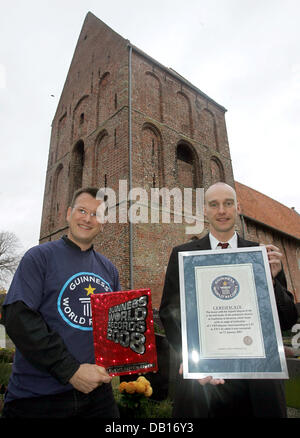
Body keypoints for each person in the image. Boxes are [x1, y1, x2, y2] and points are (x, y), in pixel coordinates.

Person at [159, 182, 298, 418]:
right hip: (204, 383)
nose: (221, 210)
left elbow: (287, 320)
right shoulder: (183, 254)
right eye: (214, 204)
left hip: (257, 383)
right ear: (205, 210)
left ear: (238, 208)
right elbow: (169, 313)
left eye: (228, 203)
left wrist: (272, 281)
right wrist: (194, 360)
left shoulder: (261, 255)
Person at [1, 187, 121, 418]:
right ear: (68, 213)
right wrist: (71, 371)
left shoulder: (109, 270)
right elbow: (18, 318)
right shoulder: (39, 257)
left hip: (97, 398)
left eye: (96, 214)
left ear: (104, 223)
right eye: (82, 210)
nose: (88, 218)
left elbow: (114, 328)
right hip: (38, 398)